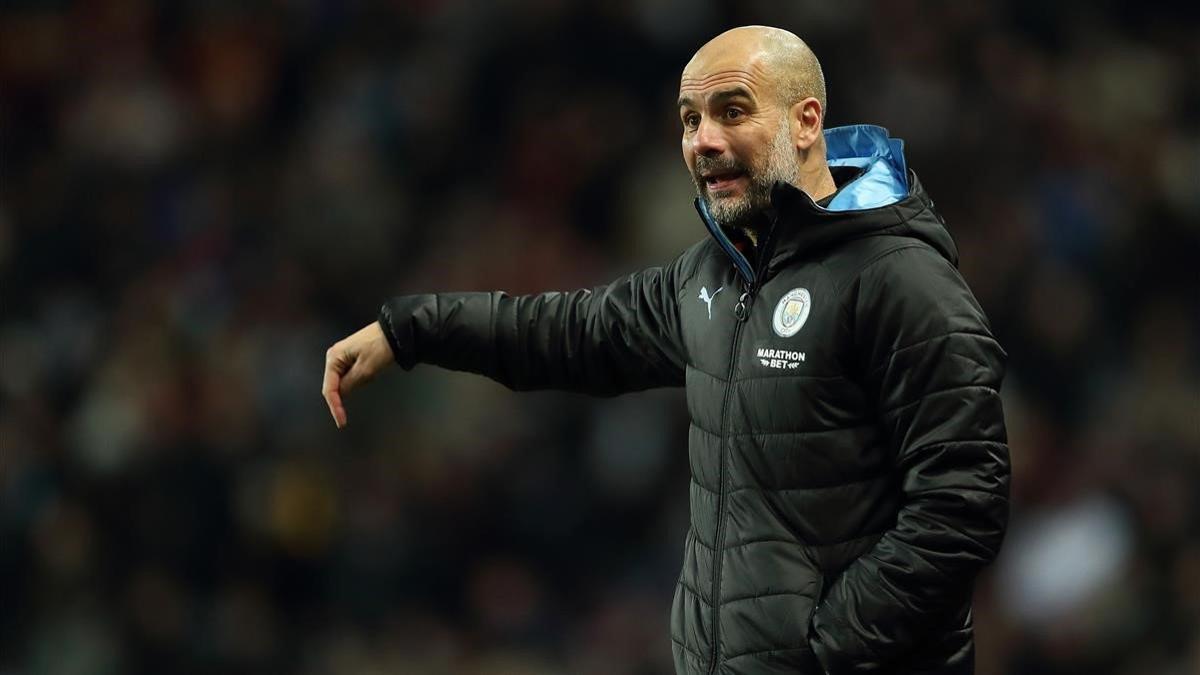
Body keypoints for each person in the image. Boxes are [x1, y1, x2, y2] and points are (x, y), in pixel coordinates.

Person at [322, 25, 1010, 675]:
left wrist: (827, 651)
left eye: (732, 111)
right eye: (688, 120)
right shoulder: (710, 277)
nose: (703, 140)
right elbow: (567, 332)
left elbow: (961, 503)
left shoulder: (901, 279)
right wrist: (410, 330)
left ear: (806, 122)